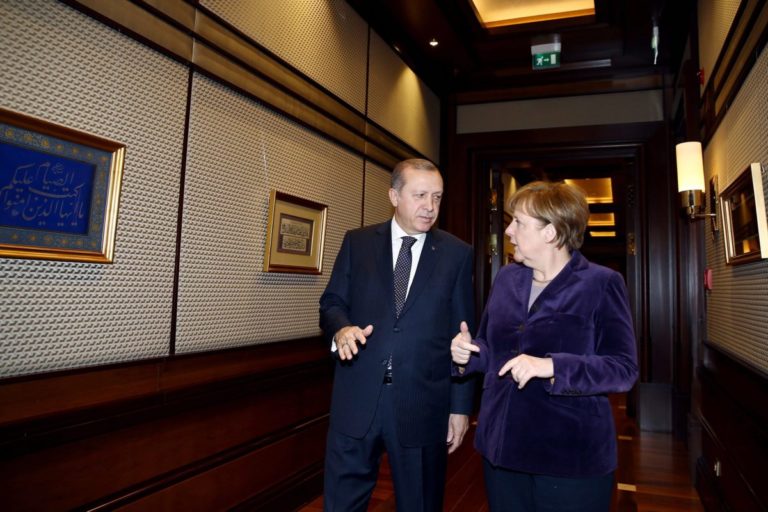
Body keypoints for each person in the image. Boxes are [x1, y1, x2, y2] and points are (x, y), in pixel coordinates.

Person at [451, 180, 638, 512]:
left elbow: (623, 369)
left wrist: (551, 366)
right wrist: (467, 354)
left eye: (518, 222)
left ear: (551, 232)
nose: (508, 231)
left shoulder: (602, 283)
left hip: (568, 456)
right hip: (502, 450)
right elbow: (491, 349)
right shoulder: (506, 278)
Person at [319, 158, 475, 511]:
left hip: (422, 404)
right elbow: (331, 302)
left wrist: (460, 407)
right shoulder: (358, 243)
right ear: (394, 196)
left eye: (437, 197)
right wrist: (341, 328)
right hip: (356, 399)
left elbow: (464, 335)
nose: (430, 206)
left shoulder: (457, 254)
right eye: (420, 195)